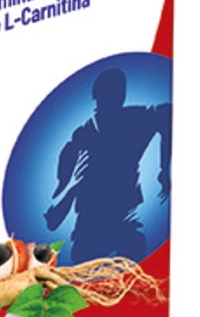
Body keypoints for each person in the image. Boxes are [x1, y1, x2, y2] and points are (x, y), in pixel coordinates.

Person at [44, 68, 171, 262]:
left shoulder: (134, 119)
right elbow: (55, 209)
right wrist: (67, 187)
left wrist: (164, 170)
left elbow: (166, 114)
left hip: (125, 214)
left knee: (133, 254)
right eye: (106, 95)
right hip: (91, 220)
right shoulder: (85, 134)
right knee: (84, 266)